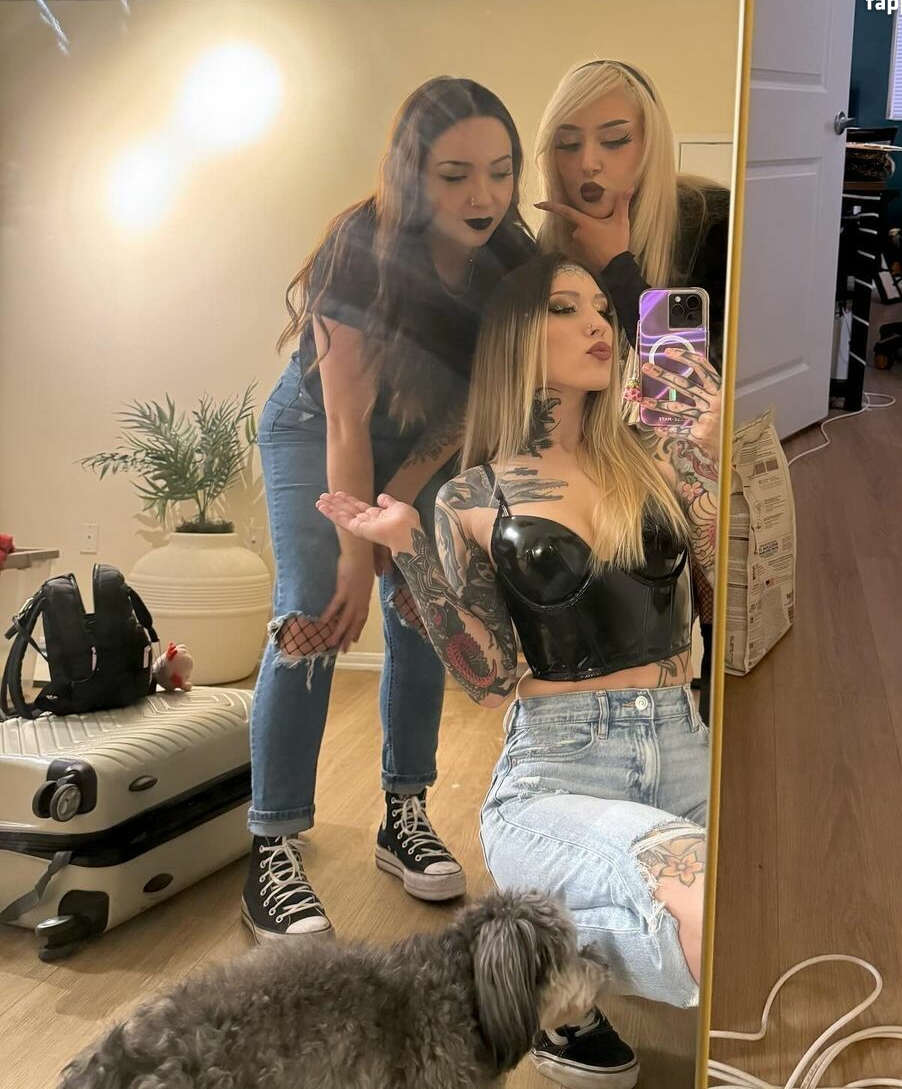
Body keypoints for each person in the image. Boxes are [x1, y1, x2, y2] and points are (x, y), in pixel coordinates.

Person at [317, 252, 722, 1089]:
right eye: (565, 309)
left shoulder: (657, 459)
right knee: (713, 906)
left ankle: (531, 960)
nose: (598, 324)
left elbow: (728, 593)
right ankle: (527, 974)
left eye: (602, 309)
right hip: (558, 766)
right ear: (514, 339)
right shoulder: (469, 497)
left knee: (770, 910)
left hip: (685, 745)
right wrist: (408, 550)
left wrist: (711, 455)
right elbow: (489, 677)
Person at [243, 77, 536, 945]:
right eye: (455, 175)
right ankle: (272, 845)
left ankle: (404, 814)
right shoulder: (358, 250)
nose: (483, 196)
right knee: (315, 609)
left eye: (500, 171)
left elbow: (468, 405)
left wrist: (400, 505)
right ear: (413, 175)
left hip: (422, 448)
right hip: (317, 431)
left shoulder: (508, 262)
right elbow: (346, 419)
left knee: (420, 604)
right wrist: (351, 553)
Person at [534, 58, 731, 723]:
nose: (589, 162)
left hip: (690, 478)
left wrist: (621, 269)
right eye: (568, 143)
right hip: (592, 482)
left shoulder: (709, 223)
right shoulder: (544, 250)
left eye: (614, 140)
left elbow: (685, 395)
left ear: (650, 144)